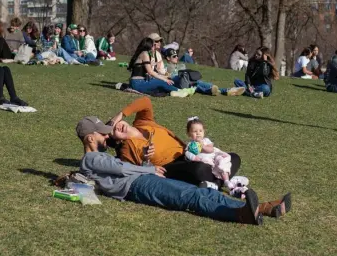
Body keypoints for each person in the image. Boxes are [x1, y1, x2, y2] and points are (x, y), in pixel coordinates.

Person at [76, 115, 292, 224]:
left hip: (142, 181)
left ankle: (262, 208)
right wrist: (149, 171)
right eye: (101, 134)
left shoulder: (98, 157)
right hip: (136, 187)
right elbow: (121, 168)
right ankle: (239, 214)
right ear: (89, 138)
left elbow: (123, 168)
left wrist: (145, 162)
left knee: (201, 192)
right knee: (188, 197)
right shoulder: (90, 159)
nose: (106, 136)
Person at [107, 96, 240, 190]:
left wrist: (120, 115)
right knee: (199, 169)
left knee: (234, 157)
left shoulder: (143, 122)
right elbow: (129, 168)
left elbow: (145, 101)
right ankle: (224, 178)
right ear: (118, 140)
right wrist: (146, 160)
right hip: (171, 166)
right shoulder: (127, 148)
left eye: (115, 124)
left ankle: (217, 182)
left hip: (188, 152)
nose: (117, 127)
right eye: (114, 131)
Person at [185, 117, 240, 195]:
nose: (198, 133)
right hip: (205, 163)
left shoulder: (206, 141)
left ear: (204, 131)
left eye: (200, 131)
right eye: (195, 131)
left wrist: (203, 146)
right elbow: (187, 153)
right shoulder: (190, 145)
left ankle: (227, 181)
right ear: (189, 133)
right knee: (204, 168)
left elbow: (211, 150)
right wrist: (194, 157)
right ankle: (226, 181)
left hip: (213, 158)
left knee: (222, 162)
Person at [127, 38, 193, 97]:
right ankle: (181, 91)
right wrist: (164, 79)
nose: (154, 47)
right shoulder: (145, 53)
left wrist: (163, 77)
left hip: (139, 82)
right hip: (138, 83)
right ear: (149, 46)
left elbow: (148, 70)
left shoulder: (143, 54)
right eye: (153, 45)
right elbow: (150, 72)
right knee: (161, 82)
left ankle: (175, 92)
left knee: (160, 82)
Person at [164, 48, 245, 96]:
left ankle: (225, 91)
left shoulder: (182, 65)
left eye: (177, 55)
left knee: (198, 84)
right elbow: (165, 78)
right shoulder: (165, 66)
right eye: (174, 56)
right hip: (180, 85)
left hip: (189, 83)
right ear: (168, 58)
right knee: (197, 84)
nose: (177, 57)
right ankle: (224, 90)